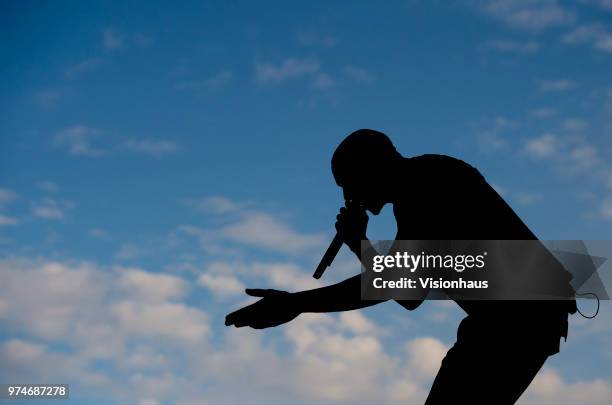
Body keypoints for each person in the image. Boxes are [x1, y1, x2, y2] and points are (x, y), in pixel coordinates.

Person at [225, 129, 576, 404]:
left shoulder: (427, 183)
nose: (349, 197)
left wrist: (294, 303)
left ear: (371, 167)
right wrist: (359, 244)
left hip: (517, 321)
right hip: (516, 320)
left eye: (349, 184)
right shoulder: (421, 186)